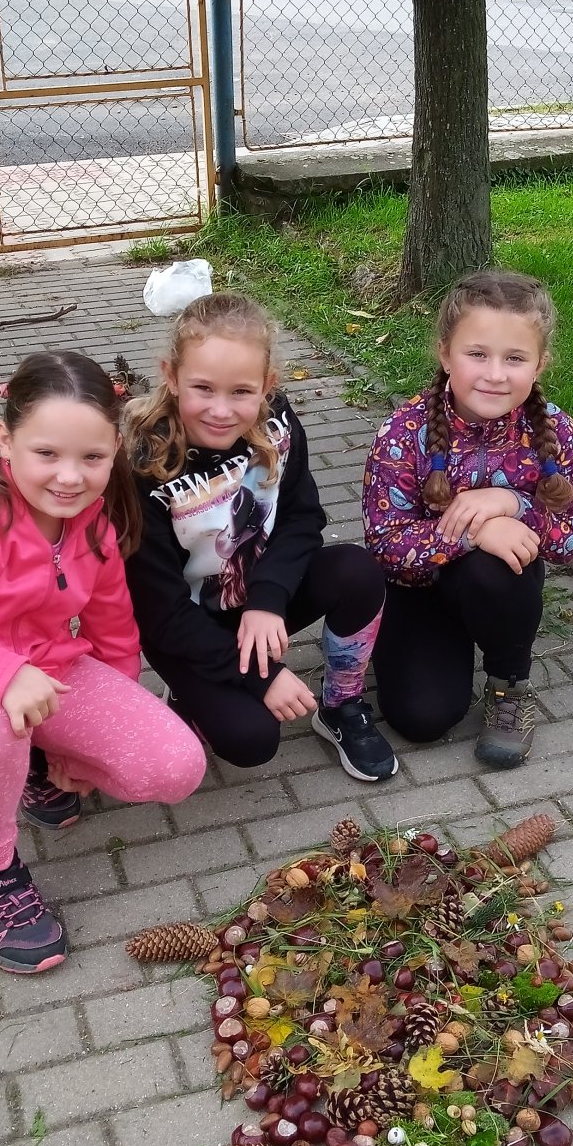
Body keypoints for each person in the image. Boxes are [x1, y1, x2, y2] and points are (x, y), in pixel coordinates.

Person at [0, 350, 206, 974]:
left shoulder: (93, 520)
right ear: (5, 440)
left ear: (115, 448)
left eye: (93, 457)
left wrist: (84, 751)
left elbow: (113, 635)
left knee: (177, 768)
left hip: (53, 675)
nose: (70, 478)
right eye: (47, 454)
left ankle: (34, 763)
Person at [124, 292, 397, 780]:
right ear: (171, 376)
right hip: (185, 625)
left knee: (356, 571)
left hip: (257, 603)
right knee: (252, 740)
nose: (221, 410)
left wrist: (267, 600)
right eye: (203, 388)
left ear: (267, 385)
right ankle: (190, 691)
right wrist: (259, 677)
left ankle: (340, 704)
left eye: (241, 392)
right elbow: (158, 612)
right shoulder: (144, 467)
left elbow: (301, 518)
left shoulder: (278, 423)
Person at [362, 269, 573, 768]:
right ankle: (390, 644)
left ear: (540, 364)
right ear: (445, 354)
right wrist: (476, 530)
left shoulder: (557, 433)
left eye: (515, 358)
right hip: (416, 588)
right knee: (421, 718)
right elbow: (385, 545)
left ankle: (509, 685)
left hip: (494, 585)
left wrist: (513, 505)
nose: (495, 374)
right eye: (477, 354)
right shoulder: (402, 432)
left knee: (499, 566)